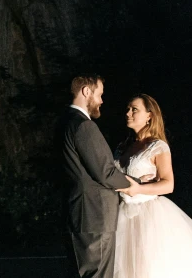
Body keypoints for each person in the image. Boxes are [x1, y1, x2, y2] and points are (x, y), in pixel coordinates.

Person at [113, 93, 192, 278]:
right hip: (121, 214)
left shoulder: (157, 146)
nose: (128, 113)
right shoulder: (122, 147)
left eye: (134, 109)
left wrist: (139, 188)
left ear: (149, 116)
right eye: (127, 109)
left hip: (148, 215)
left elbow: (168, 184)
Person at [56, 75, 142, 278]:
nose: (102, 101)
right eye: (99, 94)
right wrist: (138, 184)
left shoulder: (63, 122)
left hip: (78, 214)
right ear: (86, 91)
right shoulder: (84, 125)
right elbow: (105, 173)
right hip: (94, 217)